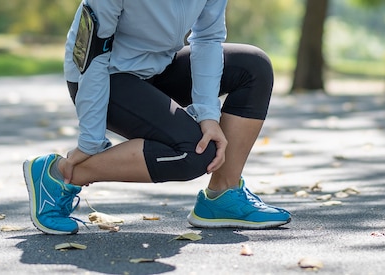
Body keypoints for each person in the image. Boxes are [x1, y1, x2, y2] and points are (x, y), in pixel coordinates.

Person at [22, 0, 291, 235]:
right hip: (104, 77)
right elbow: (92, 54)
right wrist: (90, 141)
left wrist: (207, 114)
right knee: (194, 154)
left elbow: (207, 39)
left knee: (254, 66)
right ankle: (58, 176)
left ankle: (223, 195)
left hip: (159, 67)